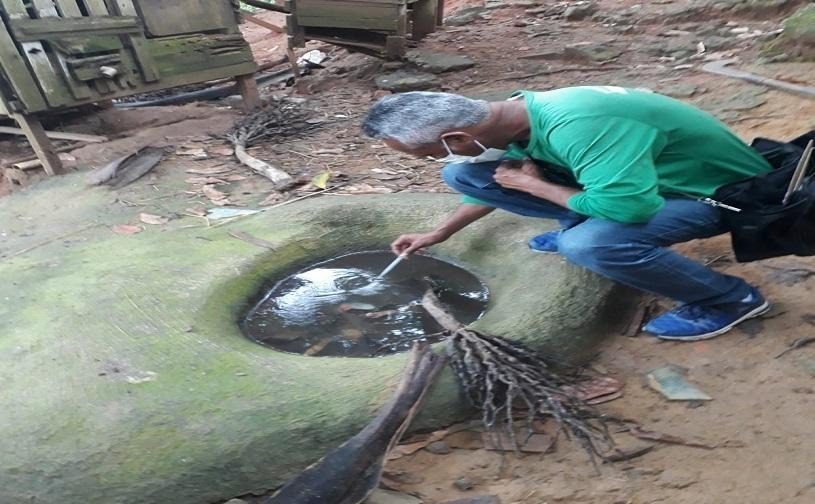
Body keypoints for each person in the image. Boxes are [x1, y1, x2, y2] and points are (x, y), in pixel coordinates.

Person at [360, 86, 773, 341]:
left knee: (591, 245)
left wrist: (535, 186)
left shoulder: (581, 125)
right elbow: (502, 181)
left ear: (456, 135)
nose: (431, 160)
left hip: (718, 195)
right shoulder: (515, 116)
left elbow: (629, 206)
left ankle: (729, 300)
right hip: (642, 182)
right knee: (465, 174)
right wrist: (440, 233)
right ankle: (580, 217)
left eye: (427, 153)